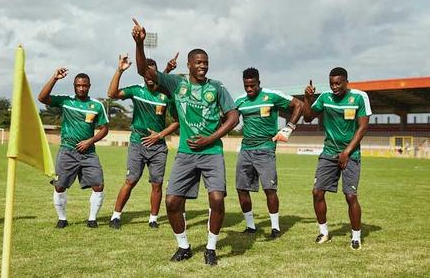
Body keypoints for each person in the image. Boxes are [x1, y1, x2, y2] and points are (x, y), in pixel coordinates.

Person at [132, 18, 239, 266]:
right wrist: (139, 44)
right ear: (188, 65)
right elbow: (143, 71)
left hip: (211, 152)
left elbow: (233, 117)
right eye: (199, 63)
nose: (203, 66)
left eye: (206, 63)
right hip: (185, 153)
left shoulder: (217, 87)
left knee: (216, 199)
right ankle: (184, 246)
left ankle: (211, 248)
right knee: (171, 202)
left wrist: (210, 139)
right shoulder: (176, 82)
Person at [107, 54, 179, 229]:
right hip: (138, 143)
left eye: (152, 74)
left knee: (157, 184)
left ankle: (153, 219)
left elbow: (178, 121)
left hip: (158, 147)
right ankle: (116, 216)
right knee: (131, 180)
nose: (149, 78)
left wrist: (160, 135)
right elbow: (112, 94)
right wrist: (119, 70)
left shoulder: (166, 96)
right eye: (146, 74)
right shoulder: (137, 91)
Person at [302, 67, 371, 250]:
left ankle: (356, 237)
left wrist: (346, 152)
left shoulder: (358, 97)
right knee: (317, 192)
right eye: (332, 83)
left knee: (350, 195)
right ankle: (324, 232)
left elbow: (362, 127)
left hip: (351, 154)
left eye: (338, 83)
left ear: (346, 82)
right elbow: (308, 117)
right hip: (329, 152)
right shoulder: (325, 97)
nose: (334, 87)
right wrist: (307, 99)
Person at [235, 67, 303, 238]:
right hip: (245, 149)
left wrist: (288, 128)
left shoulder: (271, 96)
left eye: (253, 85)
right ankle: (250, 226)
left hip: (265, 149)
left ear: (259, 82)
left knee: (269, 189)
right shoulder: (240, 101)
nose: (249, 89)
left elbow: (298, 105)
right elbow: (227, 118)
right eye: (246, 86)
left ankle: (275, 227)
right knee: (241, 189)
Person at [38, 69, 109, 228]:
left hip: (89, 153)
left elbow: (104, 128)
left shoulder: (97, 105)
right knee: (59, 185)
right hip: (67, 151)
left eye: (84, 86)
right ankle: (62, 219)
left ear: (89, 86)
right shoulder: (65, 101)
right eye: (78, 86)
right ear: (74, 86)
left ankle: (92, 219)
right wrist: (54, 78)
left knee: (98, 185)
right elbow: (42, 98)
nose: (81, 88)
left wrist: (90, 141)